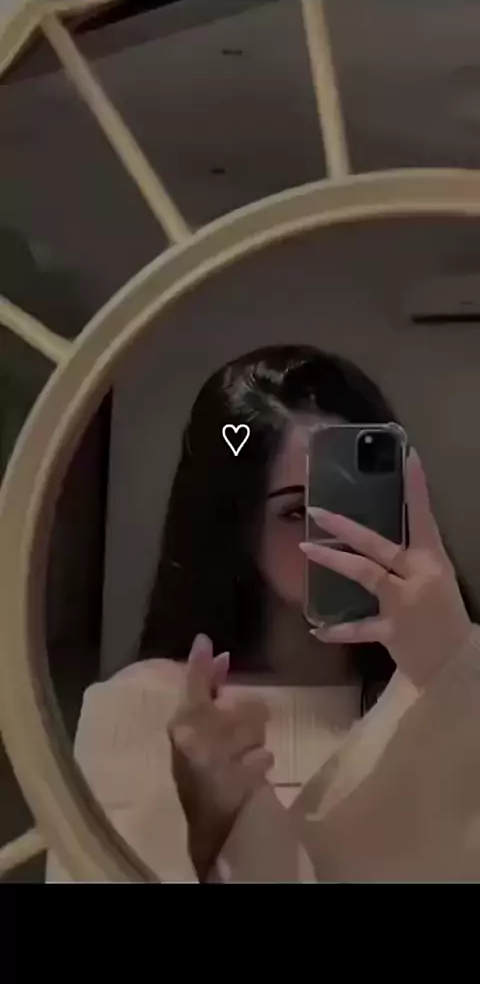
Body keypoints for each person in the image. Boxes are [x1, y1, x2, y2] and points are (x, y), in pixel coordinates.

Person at [47, 345, 480, 882]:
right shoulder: (152, 709)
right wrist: (198, 822)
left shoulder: (451, 685)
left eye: (353, 504)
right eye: (296, 510)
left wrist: (456, 666)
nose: (337, 534)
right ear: (237, 527)